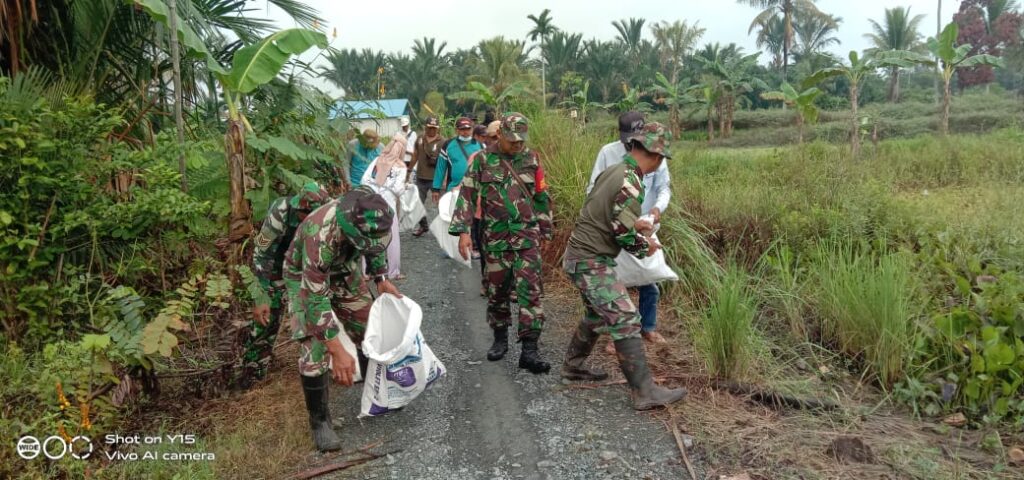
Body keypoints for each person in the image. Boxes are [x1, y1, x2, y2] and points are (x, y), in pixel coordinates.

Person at [561, 122, 687, 410]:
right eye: (663, 158)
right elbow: (621, 232)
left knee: (596, 315)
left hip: (581, 255)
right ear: (656, 157)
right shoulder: (631, 180)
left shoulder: (615, 171)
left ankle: (573, 367)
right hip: (589, 260)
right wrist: (647, 245)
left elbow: (611, 215)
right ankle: (645, 392)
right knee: (626, 318)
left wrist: (636, 224)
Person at [283, 186, 402, 452]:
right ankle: (320, 422)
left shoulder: (369, 206)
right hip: (305, 278)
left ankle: (376, 390)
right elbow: (315, 301)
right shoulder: (320, 233)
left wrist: (381, 279)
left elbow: (375, 244)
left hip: (344, 270)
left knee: (371, 327)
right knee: (314, 348)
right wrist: (336, 350)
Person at [449, 113, 553, 374]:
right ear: (501, 136)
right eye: (511, 140)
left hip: (527, 238)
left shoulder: (532, 159)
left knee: (531, 292)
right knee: (497, 292)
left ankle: (530, 349)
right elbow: (467, 194)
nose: (517, 145)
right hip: (495, 238)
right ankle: (499, 339)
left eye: (521, 140)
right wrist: (463, 232)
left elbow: (541, 196)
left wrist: (546, 230)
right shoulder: (484, 160)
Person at [587, 111, 672, 347]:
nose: (630, 144)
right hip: (617, 226)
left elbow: (664, 188)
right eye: (627, 139)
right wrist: (618, 220)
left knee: (650, 281)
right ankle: (617, 337)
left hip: (645, 225)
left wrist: (656, 209)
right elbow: (593, 189)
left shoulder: (657, 154)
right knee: (617, 282)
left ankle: (648, 327)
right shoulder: (608, 153)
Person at [240, 182, 330, 389]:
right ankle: (252, 372)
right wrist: (261, 296)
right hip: (275, 269)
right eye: (304, 215)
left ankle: (318, 367)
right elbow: (261, 252)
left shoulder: (325, 217)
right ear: (299, 208)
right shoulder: (279, 213)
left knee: (315, 316)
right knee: (266, 320)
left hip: (307, 269)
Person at [361, 135, 409, 280]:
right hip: (388, 205)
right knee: (391, 238)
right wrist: (404, 187)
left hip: (370, 202)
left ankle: (366, 272)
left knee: (369, 236)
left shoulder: (377, 160)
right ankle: (393, 272)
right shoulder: (400, 166)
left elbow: (364, 179)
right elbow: (398, 189)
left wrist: (376, 187)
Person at [408, 116, 445, 237]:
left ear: (438, 129)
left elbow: (447, 161)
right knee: (417, 204)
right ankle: (423, 226)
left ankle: (445, 230)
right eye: (429, 128)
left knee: (442, 206)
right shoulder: (420, 139)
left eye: (434, 128)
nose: (432, 130)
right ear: (425, 127)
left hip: (437, 179)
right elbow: (415, 155)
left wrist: (445, 178)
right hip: (421, 177)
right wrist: (408, 171)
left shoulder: (443, 142)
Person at [432, 117, 481, 203]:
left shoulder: (480, 145)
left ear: (472, 129)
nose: (465, 132)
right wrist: (436, 188)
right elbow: (440, 168)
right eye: (462, 129)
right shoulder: (448, 145)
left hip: (475, 190)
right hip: (453, 190)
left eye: (468, 129)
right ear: (456, 130)